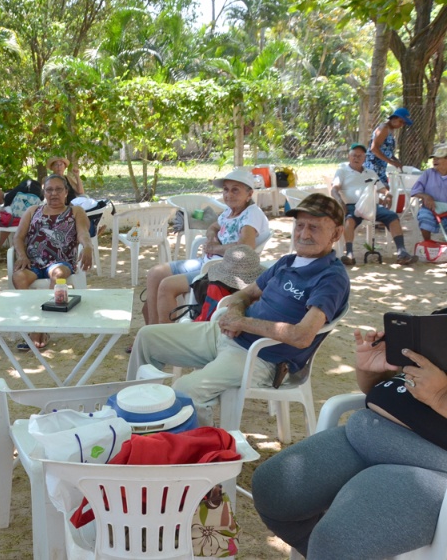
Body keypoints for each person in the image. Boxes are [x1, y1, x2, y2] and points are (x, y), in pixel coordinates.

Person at [128, 194, 350, 426]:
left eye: (314, 227)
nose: (304, 234)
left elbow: (302, 336)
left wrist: (242, 323)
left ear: (336, 233)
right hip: (227, 334)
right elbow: (246, 293)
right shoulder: (287, 262)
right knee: (147, 337)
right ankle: (135, 411)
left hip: (260, 357)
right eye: (300, 225)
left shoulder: (331, 278)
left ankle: (200, 456)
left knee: (185, 390)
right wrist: (235, 312)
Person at [252, 326, 447, 559]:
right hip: (363, 434)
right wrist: (372, 372)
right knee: (273, 490)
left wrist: (441, 398)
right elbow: (406, 392)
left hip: (426, 464)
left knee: (337, 542)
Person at [144, 168, 270, 325]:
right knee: (155, 273)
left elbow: (245, 247)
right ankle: (150, 329)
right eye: (226, 189)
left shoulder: (252, 214)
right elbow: (213, 227)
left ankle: (163, 338)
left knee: (167, 286)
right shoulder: (229, 211)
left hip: (223, 270)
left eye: (235, 190)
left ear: (249, 194)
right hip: (207, 261)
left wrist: (214, 249)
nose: (229, 194)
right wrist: (211, 238)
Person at [12, 174, 93, 348]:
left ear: (66, 192)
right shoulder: (33, 211)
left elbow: (83, 233)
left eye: (58, 189)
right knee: (18, 277)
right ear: (44, 192)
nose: (53, 194)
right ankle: (31, 323)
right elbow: (18, 236)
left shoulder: (75, 211)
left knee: (57, 274)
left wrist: (88, 246)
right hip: (32, 263)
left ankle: (41, 329)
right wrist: (22, 255)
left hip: (61, 262)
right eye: (49, 190)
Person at [331, 143, 417, 265]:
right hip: (351, 206)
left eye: (360, 156)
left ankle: (402, 252)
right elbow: (334, 189)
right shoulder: (342, 171)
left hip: (372, 206)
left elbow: (382, 189)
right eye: (354, 155)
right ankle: (349, 254)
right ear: (349, 157)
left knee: (392, 216)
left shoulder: (370, 172)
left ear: (364, 158)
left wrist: (387, 194)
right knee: (349, 220)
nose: (356, 158)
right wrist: (340, 202)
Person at [365, 107, 412, 188]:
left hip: (380, 167)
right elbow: (374, 149)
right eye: (400, 121)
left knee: (386, 191)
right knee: (382, 192)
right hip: (373, 166)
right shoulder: (384, 128)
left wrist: (395, 159)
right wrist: (391, 162)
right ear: (393, 118)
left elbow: (385, 149)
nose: (401, 125)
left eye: (403, 123)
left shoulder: (390, 130)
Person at [411, 142, 447, 242]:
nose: (435, 160)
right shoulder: (428, 173)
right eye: (434, 158)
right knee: (424, 217)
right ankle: (428, 243)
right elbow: (415, 190)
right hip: (430, 208)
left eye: (439, 158)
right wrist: (425, 196)